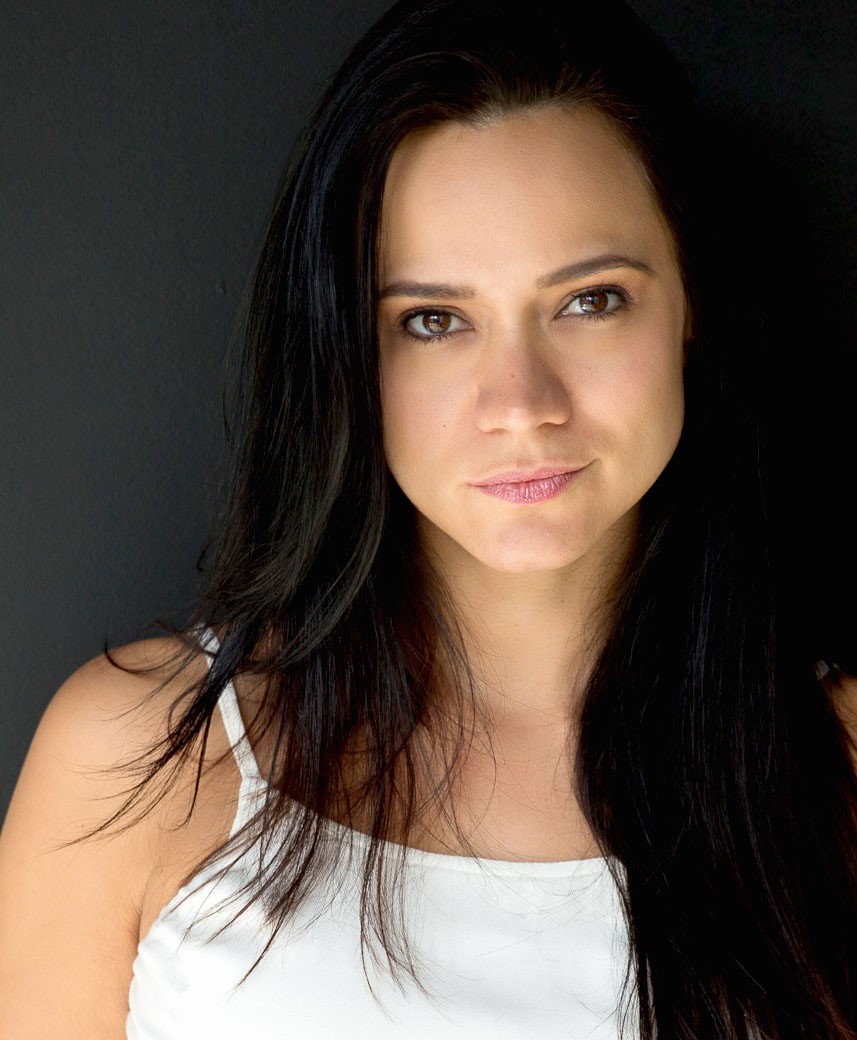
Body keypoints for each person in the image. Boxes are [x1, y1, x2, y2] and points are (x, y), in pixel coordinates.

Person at [1, 0, 855, 1036]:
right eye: (434, 320)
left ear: (690, 304)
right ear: (345, 353)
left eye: (589, 300)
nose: (521, 404)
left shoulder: (836, 771)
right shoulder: (138, 760)